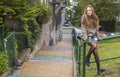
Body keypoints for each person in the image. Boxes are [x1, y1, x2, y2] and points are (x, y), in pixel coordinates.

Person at [81, 5, 105, 75]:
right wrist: (85, 38)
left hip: (94, 35)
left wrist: (98, 37)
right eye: (87, 10)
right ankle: (87, 58)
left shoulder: (95, 18)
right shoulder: (84, 17)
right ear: (86, 11)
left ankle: (98, 70)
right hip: (87, 36)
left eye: (90, 10)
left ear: (92, 11)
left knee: (95, 52)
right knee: (94, 46)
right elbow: (83, 29)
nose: (89, 12)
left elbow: (96, 29)